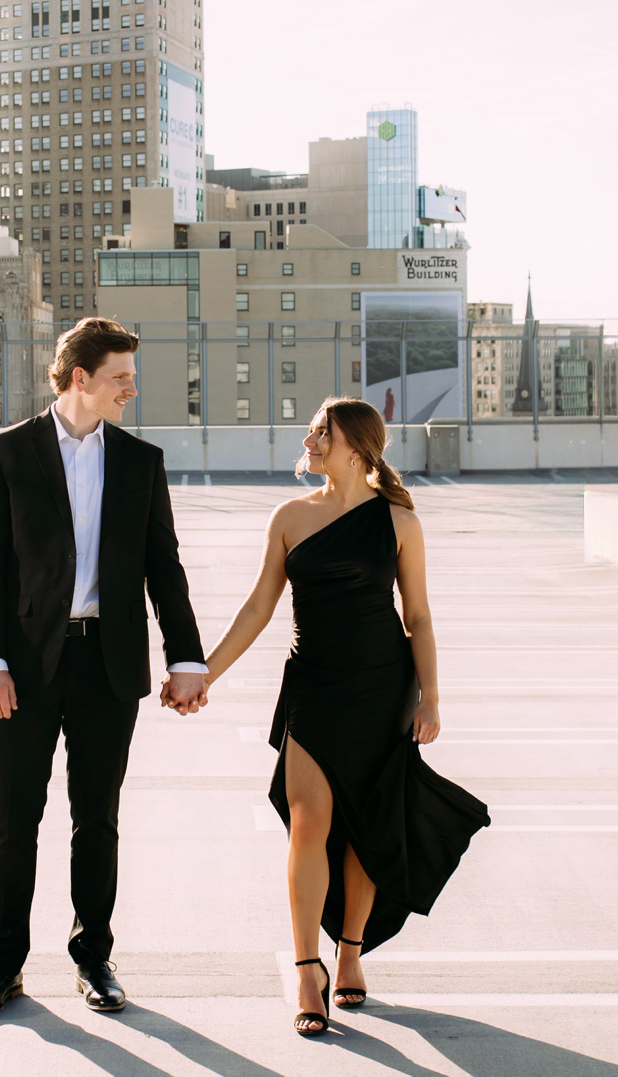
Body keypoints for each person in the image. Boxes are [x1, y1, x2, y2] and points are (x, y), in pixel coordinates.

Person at [202, 397, 489, 1037]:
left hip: (384, 689)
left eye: (321, 432)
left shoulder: (399, 522)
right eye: (311, 431)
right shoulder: (289, 517)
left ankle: (350, 952)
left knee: (364, 829)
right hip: (313, 687)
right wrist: (205, 674)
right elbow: (257, 608)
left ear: (356, 446)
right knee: (308, 822)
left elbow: (418, 616)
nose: (309, 440)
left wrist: (431, 697)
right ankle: (308, 969)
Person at [0, 318, 209, 1019]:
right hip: (21, 668)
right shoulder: (6, 453)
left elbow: (164, 566)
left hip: (108, 663)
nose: (132, 389)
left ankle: (93, 958)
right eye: (120, 377)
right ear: (80, 378)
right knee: (14, 818)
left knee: (97, 818)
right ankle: (1, 964)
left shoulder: (140, 461)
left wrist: (186, 658)